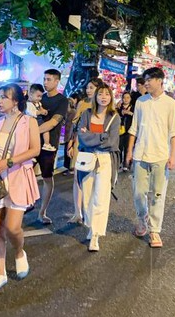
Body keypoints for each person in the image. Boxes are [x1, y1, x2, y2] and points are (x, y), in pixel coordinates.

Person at [0, 84, 41, 291]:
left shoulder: (29, 122)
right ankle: (0, 273)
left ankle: (19, 252)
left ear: (16, 101)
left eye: (4, 97)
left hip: (19, 177)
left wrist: (9, 162)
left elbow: (35, 149)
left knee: (12, 227)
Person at [126, 67, 175, 248]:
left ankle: (154, 231)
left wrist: (172, 156)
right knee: (138, 192)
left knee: (158, 194)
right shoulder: (141, 101)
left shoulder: (170, 103)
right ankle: (142, 220)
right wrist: (129, 151)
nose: (146, 83)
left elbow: (174, 133)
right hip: (140, 154)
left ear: (159, 81)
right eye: (145, 80)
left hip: (161, 156)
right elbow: (134, 129)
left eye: (149, 80)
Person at [76, 83, 121, 251]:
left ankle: (95, 235)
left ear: (111, 97)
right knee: (87, 195)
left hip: (105, 159)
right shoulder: (87, 114)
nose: (103, 97)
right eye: (100, 94)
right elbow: (82, 137)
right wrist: (101, 137)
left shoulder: (114, 117)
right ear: (95, 96)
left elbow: (112, 142)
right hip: (87, 158)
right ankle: (91, 226)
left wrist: (91, 136)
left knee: (101, 198)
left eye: (107, 94)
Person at [68, 78, 104, 223]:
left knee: (94, 179)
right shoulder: (82, 104)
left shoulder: (103, 106)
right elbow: (74, 124)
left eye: (92, 88)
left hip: (96, 146)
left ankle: (91, 210)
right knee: (78, 178)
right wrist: (70, 143)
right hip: (79, 144)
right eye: (87, 88)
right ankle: (77, 213)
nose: (88, 90)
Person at [35, 69, 69, 225]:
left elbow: (53, 122)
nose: (45, 82)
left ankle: (42, 212)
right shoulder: (39, 97)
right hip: (32, 144)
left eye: (48, 79)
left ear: (57, 81)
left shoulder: (62, 101)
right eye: (44, 79)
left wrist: (31, 132)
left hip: (49, 146)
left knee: (47, 177)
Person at [27, 84, 53, 151]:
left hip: (39, 121)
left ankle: (46, 144)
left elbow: (41, 108)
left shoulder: (38, 103)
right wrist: (40, 112)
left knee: (46, 130)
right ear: (30, 94)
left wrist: (44, 111)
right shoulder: (28, 104)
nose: (40, 98)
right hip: (33, 122)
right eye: (38, 96)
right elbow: (31, 113)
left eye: (41, 96)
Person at [62, 91, 81, 175]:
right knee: (67, 151)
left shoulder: (73, 112)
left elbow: (73, 124)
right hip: (67, 134)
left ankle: (70, 167)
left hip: (70, 134)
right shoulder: (67, 112)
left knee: (69, 151)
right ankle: (68, 167)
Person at [118, 91, 134, 171]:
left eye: (128, 97)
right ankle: (119, 162)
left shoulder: (133, 108)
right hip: (120, 131)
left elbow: (136, 118)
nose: (126, 99)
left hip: (129, 131)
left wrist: (130, 113)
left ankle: (126, 164)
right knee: (119, 147)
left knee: (128, 147)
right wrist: (121, 113)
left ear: (130, 99)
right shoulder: (119, 108)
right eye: (124, 98)